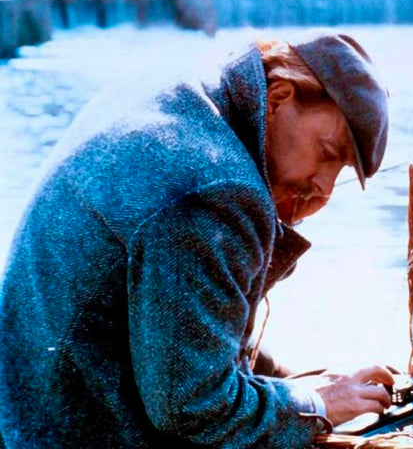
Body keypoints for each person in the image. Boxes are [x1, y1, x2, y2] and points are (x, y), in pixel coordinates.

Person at [0, 32, 391, 448]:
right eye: (327, 152)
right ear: (279, 96)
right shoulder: (215, 186)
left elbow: (182, 321)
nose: (325, 186)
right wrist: (317, 404)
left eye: (340, 170)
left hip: (23, 414)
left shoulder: (179, 94)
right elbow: (194, 406)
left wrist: (288, 380)